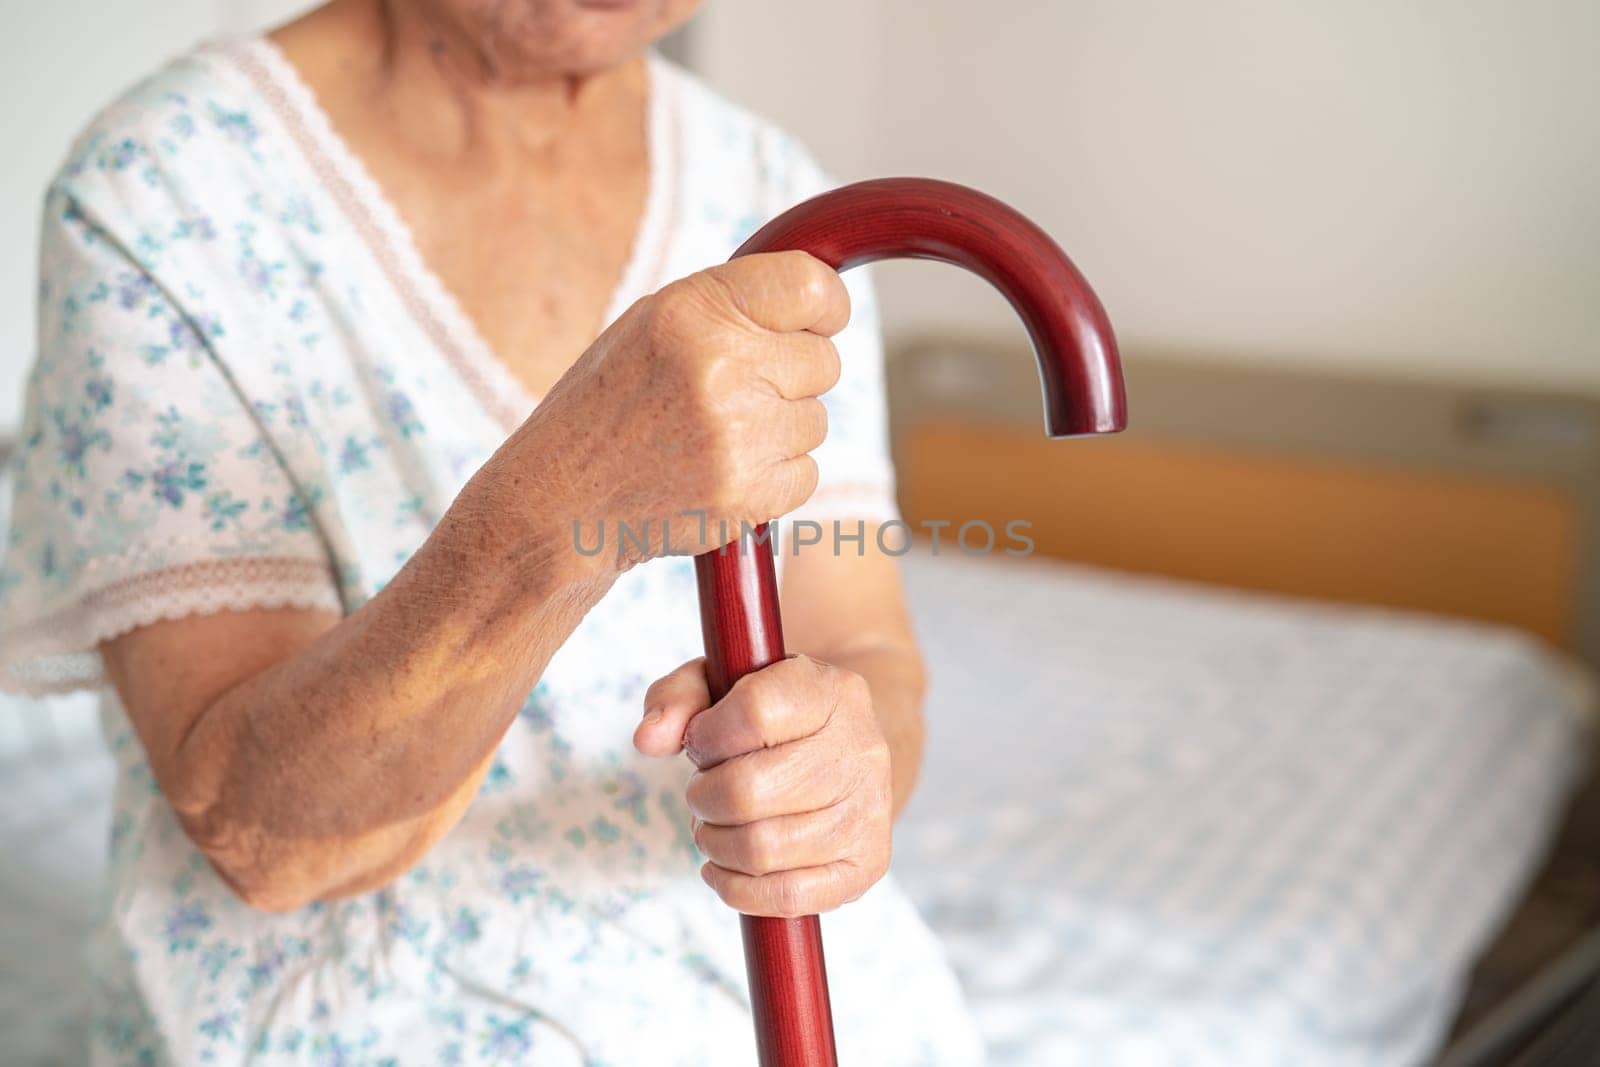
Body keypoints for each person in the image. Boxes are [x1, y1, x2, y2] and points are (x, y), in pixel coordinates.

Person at [0, 0, 986, 1063]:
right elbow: (267, 836)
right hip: (359, 1013)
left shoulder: (772, 189)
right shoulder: (164, 189)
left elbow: (869, 649)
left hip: (785, 985)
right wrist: (572, 502)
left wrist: (841, 765)